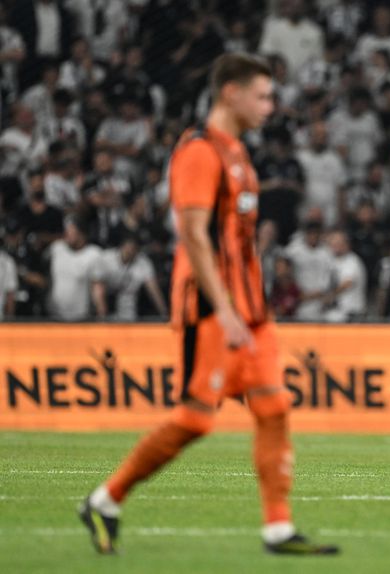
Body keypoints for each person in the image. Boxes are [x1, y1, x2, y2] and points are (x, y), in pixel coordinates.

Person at [78, 53, 337, 556]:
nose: (270, 106)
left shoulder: (237, 151)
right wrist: (224, 308)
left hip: (251, 309)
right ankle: (105, 500)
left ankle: (278, 528)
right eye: (262, 96)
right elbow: (194, 236)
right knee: (196, 419)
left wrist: (248, 305)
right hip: (210, 307)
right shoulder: (199, 152)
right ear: (230, 93)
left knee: (274, 406)